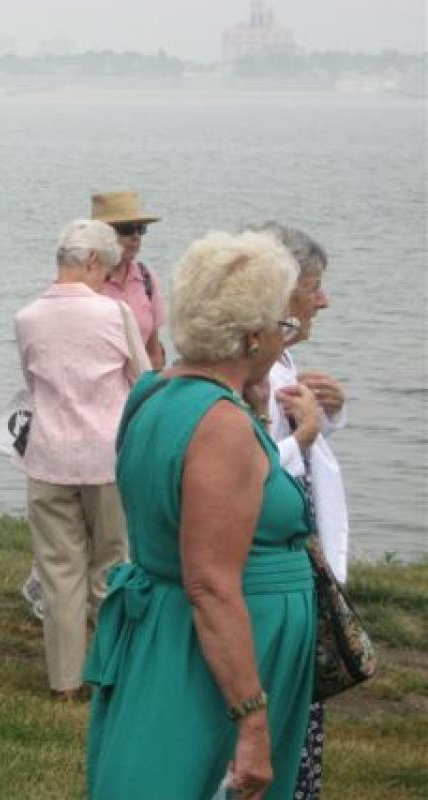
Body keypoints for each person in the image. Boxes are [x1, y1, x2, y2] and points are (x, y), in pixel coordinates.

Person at [85, 231, 313, 800]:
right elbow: (211, 585)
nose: (282, 339)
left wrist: (255, 414)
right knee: (185, 778)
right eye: (280, 328)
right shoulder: (221, 424)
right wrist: (252, 723)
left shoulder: (154, 393)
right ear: (250, 336)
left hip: (173, 631)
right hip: (215, 655)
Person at [13, 219, 147, 698]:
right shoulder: (114, 314)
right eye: (106, 269)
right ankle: (108, 672)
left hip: (48, 455)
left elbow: (33, 385)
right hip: (106, 457)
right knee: (110, 565)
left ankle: (64, 680)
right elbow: (143, 382)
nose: (107, 278)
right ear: (92, 261)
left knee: (58, 572)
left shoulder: (27, 317)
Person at [245, 221, 346, 800]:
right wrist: (304, 435)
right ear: (280, 294)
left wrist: (328, 414)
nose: (323, 300)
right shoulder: (250, 374)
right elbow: (244, 477)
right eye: (313, 287)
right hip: (271, 582)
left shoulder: (278, 366)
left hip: (293, 580)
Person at [91, 190, 167, 370]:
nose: (136, 237)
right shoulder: (89, 283)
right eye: (126, 230)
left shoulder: (146, 278)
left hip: (140, 391)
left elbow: (153, 350)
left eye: (140, 229)